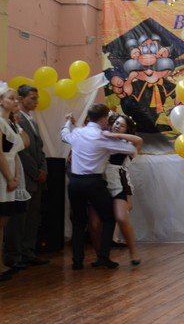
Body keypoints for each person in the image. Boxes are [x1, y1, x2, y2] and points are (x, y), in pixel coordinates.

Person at [61, 104, 137, 269]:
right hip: (94, 182)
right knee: (109, 217)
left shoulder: (78, 132)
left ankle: (77, 262)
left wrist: (68, 123)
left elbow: (64, 135)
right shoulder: (102, 137)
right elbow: (129, 148)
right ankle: (103, 256)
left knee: (78, 222)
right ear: (103, 119)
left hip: (74, 183)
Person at [0, 82, 31, 281]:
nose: (15, 102)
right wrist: (9, 177)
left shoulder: (10, 122)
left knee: (2, 221)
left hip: (11, 169)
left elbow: (24, 143)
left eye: (15, 99)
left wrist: (17, 121)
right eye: (11, 98)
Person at [4, 85, 49, 269]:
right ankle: (14, 254)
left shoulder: (32, 120)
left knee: (32, 217)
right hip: (25, 174)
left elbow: (39, 149)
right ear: (21, 99)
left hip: (37, 175)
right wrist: (35, 171)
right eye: (32, 98)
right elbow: (22, 151)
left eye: (36, 98)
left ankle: (28, 251)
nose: (36, 101)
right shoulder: (17, 119)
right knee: (19, 218)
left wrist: (43, 168)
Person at [103, 115, 144, 265]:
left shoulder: (127, 144)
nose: (116, 126)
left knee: (123, 213)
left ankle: (132, 252)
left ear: (127, 129)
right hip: (101, 180)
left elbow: (139, 141)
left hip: (119, 180)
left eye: (121, 125)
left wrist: (115, 135)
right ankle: (105, 251)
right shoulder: (103, 137)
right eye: (116, 123)